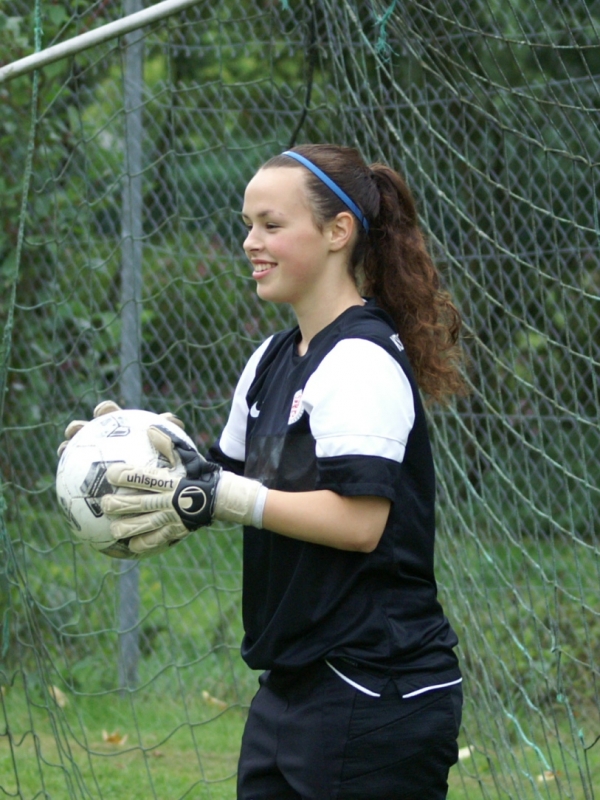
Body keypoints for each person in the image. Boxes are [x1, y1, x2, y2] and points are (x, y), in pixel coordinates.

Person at [61, 144, 468, 799]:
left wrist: (228, 496)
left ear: (338, 232)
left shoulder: (361, 359)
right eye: (248, 224)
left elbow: (360, 522)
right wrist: (135, 452)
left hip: (377, 687)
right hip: (293, 685)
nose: (251, 241)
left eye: (272, 225)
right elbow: (221, 480)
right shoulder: (271, 361)